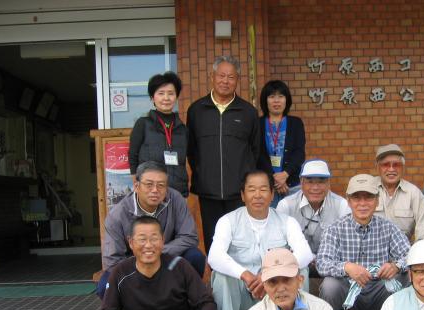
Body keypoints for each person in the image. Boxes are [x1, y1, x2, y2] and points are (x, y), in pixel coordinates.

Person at [208, 170, 313, 310]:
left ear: (272, 195)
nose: (258, 195)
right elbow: (214, 257)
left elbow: (305, 254)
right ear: (242, 195)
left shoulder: (286, 221)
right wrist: (246, 275)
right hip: (243, 295)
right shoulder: (228, 221)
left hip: (275, 293)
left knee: (302, 271)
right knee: (220, 275)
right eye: (252, 189)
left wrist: (269, 276)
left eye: (264, 189)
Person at [316, 174, 410, 310]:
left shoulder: (388, 227)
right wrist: (347, 267)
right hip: (348, 296)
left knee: (406, 277)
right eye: (356, 198)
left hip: (379, 292)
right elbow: (322, 263)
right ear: (348, 201)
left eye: (368, 197)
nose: (363, 203)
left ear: (377, 201)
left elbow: (410, 256)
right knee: (329, 285)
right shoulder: (335, 229)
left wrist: (396, 266)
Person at [96, 161, 205, 298]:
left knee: (195, 257)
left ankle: (187, 305)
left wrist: (156, 253)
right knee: (105, 285)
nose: (155, 190)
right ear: (136, 186)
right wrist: (142, 261)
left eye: (161, 185)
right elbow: (113, 261)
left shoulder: (175, 199)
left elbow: (189, 237)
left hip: (168, 261)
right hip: (134, 267)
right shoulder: (117, 215)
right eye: (149, 184)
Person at [186, 55, 261, 253]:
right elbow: (191, 150)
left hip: (239, 192)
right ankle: (218, 283)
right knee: (214, 241)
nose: (225, 81)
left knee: (241, 241)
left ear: (238, 80)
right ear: (212, 76)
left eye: (231, 77)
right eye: (221, 76)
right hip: (207, 191)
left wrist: (246, 181)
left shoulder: (248, 112)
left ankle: (241, 281)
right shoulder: (196, 110)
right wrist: (202, 172)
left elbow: (255, 150)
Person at [276, 159, 350, 269]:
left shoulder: (342, 205)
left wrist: (324, 259)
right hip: (296, 264)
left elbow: (347, 244)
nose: (315, 187)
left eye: (321, 181)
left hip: (331, 264)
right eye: (310, 181)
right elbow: (279, 244)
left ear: (329, 183)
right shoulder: (285, 205)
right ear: (301, 182)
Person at [128, 72, 189, 197]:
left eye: (171, 93)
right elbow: (133, 155)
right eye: (161, 93)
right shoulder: (143, 124)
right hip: (151, 193)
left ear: (176, 97)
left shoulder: (183, 129)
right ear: (152, 98)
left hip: (177, 193)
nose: (166, 98)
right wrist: (137, 183)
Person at [258, 80, 306, 206]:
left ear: (286, 100)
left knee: (294, 223)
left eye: (280, 96)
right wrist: (274, 178)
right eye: (272, 96)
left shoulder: (295, 123)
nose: (276, 101)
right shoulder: (257, 124)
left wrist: (285, 174)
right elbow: (257, 154)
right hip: (267, 186)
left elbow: (299, 152)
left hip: (292, 185)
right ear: (265, 100)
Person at [372, 144, 424, 241]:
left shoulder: (413, 193)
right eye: (386, 165)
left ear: (403, 167)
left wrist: (420, 250)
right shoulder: (368, 189)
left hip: (403, 252)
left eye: (396, 165)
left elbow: (423, 229)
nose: (391, 169)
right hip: (372, 252)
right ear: (377, 167)